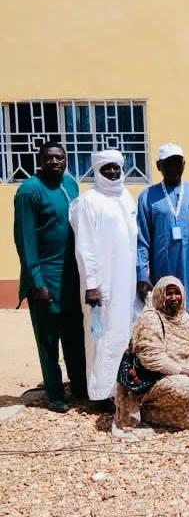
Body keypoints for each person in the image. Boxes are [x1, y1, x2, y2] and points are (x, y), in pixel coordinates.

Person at [13, 141, 86, 412]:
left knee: (74, 336)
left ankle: (80, 386)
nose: (55, 162)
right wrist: (37, 282)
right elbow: (25, 239)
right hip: (45, 276)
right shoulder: (29, 191)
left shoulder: (70, 184)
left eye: (59, 158)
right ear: (40, 160)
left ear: (66, 160)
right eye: (49, 158)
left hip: (71, 277)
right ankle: (55, 394)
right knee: (48, 340)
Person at [69, 150, 137, 410]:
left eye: (116, 167)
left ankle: (118, 388)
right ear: (97, 170)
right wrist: (91, 285)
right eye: (106, 168)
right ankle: (99, 393)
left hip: (125, 280)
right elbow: (84, 246)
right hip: (101, 283)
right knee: (100, 335)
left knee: (121, 333)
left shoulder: (125, 196)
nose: (112, 172)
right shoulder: (88, 201)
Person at [114, 277, 189, 432]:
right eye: (169, 294)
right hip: (156, 376)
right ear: (159, 295)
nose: (174, 298)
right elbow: (153, 360)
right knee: (184, 388)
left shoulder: (182, 316)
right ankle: (148, 412)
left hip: (186, 365)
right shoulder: (151, 318)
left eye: (177, 293)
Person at [137, 143, 189, 345]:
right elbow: (142, 240)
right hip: (163, 272)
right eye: (168, 163)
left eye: (177, 163)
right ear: (158, 166)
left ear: (184, 164)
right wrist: (142, 275)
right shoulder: (147, 197)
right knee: (166, 327)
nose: (173, 168)